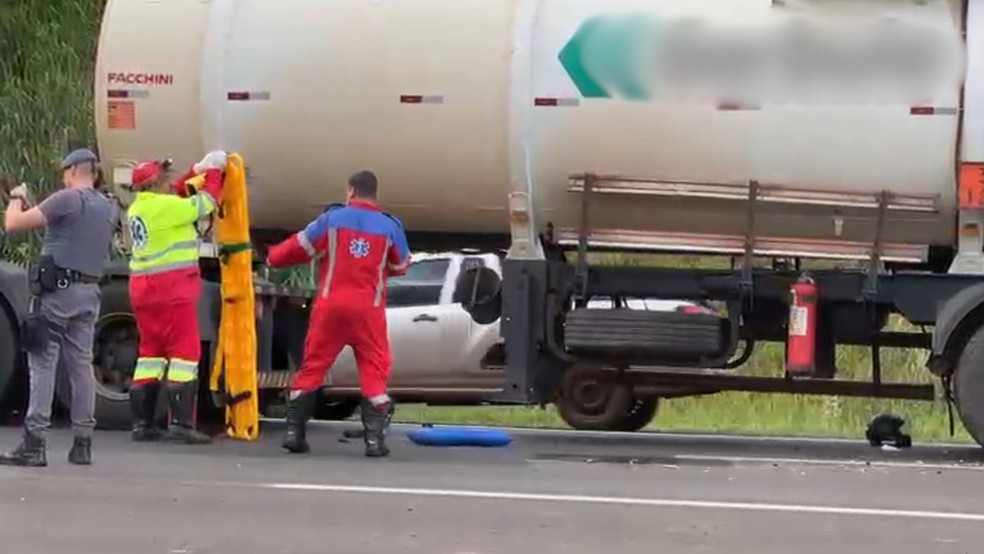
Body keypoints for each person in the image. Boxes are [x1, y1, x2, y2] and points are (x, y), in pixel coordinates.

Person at [266, 170, 410, 457]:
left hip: (330, 306)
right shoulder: (390, 226)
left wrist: (271, 256)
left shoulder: (331, 219)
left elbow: (297, 247)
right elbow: (400, 265)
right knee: (374, 369)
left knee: (313, 366)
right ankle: (374, 442)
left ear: (351, 191)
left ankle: (294, 433)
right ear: (375, 193)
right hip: (368, 309)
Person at [0, 148, 120, 467]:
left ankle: (34, 443)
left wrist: (15, 197)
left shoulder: (67, 199)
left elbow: (13, 224)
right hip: (88, 292)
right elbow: (67, 234)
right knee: (80, 366)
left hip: (57, 294)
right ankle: (82, 443)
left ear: (71, 171)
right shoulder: (108, 207)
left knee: (43, 362)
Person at [125, 151, 227, 444]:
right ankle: (182, 423)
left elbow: (178, 195)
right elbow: (204, 203)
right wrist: (216, 172)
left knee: (150, 354)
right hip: (171, 290)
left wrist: (196, 169)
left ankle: (142, 425)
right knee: (185, 353)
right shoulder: (166, 207)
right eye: (165, 176)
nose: (170, 180)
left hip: (143, 291)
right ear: (156, 183)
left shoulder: (140, 208)